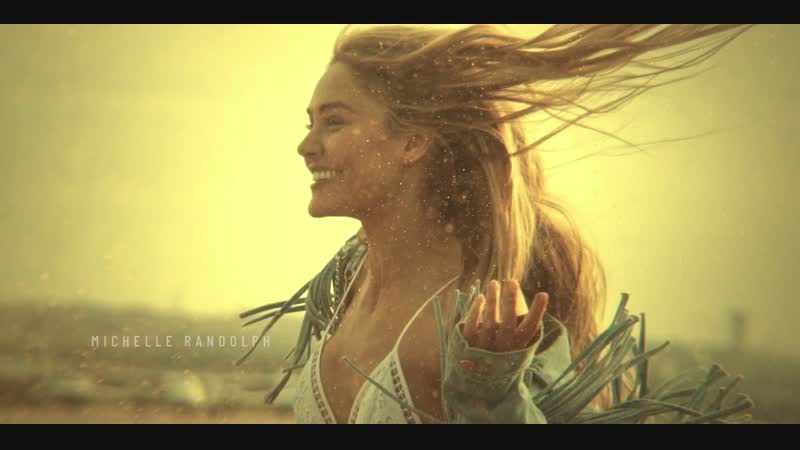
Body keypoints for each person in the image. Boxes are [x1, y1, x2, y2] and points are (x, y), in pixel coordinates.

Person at [238, 24, 755, 424]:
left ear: (413, 141)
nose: (306, 146)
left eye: (334, 121)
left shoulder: (486, 316)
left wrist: (490, 388)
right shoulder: (347, 284)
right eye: (310, 123)